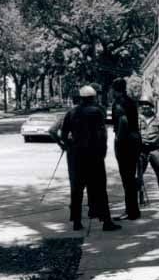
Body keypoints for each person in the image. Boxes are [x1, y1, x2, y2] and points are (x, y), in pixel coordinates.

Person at [61, 85, 120, 231]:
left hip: (76, 156)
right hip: (94, 156)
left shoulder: (71, 113)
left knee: (76, 190)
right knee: (100, 189)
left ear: (80, 98)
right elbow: (102, 134)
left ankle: (76, 222)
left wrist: (70, 146)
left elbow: (63, 135)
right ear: (93, 97)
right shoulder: (97, 112)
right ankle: (106, 221)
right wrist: (103, 151)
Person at [112, 75, 142, 220]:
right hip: (135, 140)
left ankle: (131, 211)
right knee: (131, 176)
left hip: (126, 142)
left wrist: (118, 138)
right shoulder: (131, 101)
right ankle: (133, 210)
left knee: (127, 178)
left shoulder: (119, 102)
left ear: (114, 90)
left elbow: (123, 121)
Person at [138, 95, 159, 205]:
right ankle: (140, 195)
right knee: (138, 174)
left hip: (155, 149)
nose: (145, 107)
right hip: (141, 150)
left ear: (152, 106)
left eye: (147, 105)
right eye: (143, 106)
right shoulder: (137, 119)